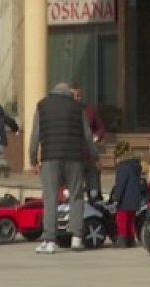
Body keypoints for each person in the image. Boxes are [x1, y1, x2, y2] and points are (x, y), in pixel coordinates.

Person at [28, 81, 98, 254]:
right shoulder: (77, 107)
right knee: (76, 196)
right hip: (74, 158)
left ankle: (50, 240)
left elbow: (35, 134)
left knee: (51, 197)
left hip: (50, 158)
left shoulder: (42, 106)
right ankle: (76, 238)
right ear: (69, 93)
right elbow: (88, 135)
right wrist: (95, 156)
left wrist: (32, 158)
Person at [71, 84, 106, 201]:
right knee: (74, 190)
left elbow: (100, 128)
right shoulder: (65, 112)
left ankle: (95, 206)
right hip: (73, 157)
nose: (77, 98)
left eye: (79, 95)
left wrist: (96, 136)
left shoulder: (89, 110)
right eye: (74, 96)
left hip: (90, 155)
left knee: (94, 190)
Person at [111, 153, 142, 248]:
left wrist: (116, 197)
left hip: (125, 199)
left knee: (121, 219)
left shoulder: (123, 167)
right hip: (134, 198)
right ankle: (131, 240)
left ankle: (123, 241)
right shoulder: (135, 167)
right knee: (131, 220)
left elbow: (121, 184)